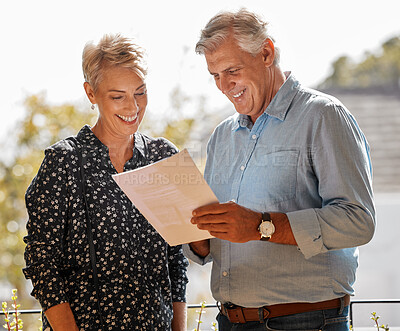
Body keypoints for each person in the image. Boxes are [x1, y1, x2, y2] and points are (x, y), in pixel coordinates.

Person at [184, 8, 375, 331]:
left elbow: (358, 222)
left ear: (267, 53)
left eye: (232, 70)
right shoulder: (221, 137)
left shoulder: (323, 116)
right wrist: (200, 240)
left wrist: (262, 225)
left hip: (306, 321)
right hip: (230, 321)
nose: (224, 85)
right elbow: (225, 235)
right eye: (215, 75)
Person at [23, 34, 188, 331]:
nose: (133, 107)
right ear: (91, 93)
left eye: (140, 92)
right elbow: (43, 265)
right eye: (117, 96)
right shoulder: (64, 162)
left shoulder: (163, 156)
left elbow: (175, 261)